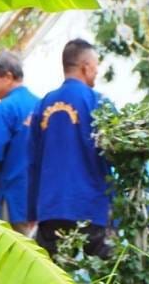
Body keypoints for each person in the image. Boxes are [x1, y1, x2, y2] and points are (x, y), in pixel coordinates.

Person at [29, 39, 112, 261]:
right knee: (101, 279)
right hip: (89, 208)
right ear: (85, 67)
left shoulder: (43, 104)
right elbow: (114, 154)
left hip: (50, 208)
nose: (96, 71)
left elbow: (34, 157)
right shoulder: (98, 103)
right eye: (96, 66)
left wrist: (34, 207)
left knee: (52, 281)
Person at [0, 51, 38, 231]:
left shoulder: (5, 108)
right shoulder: (42, 105)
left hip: (12, 197)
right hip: (39, 200)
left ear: (8, 77)